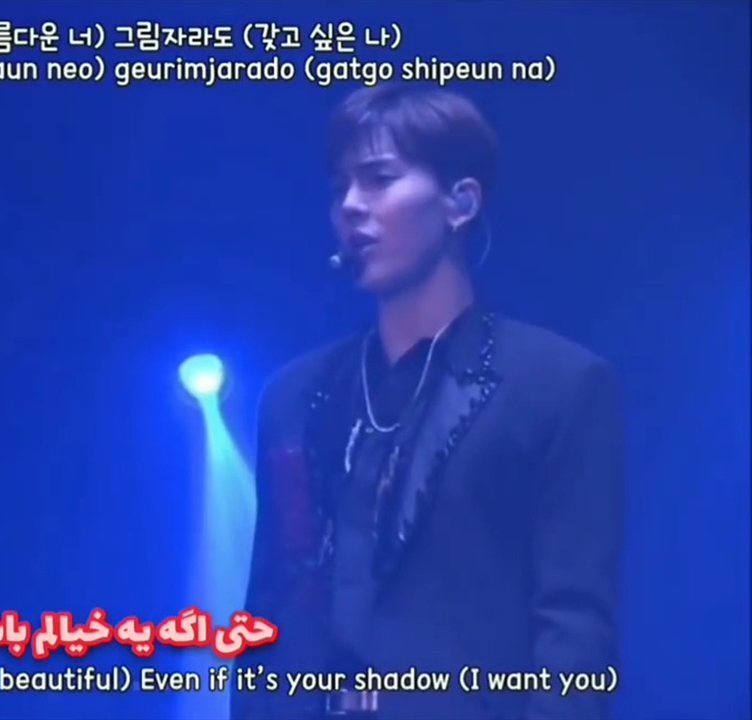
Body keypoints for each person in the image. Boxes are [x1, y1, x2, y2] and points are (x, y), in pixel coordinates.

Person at [231, 84, 623, 720]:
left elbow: (573, 628)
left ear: (460, 203)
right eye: (340, 188)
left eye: (379, 179)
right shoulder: (295, 396)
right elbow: (267, 615)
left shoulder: (557, 384)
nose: (351, 205)